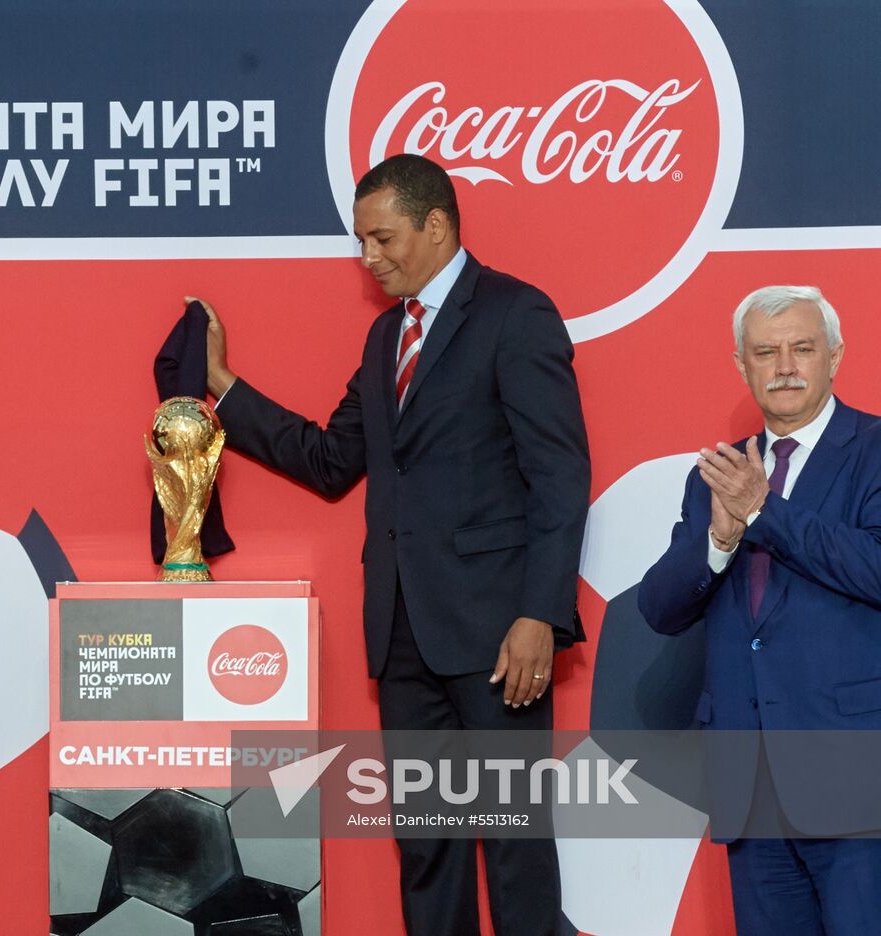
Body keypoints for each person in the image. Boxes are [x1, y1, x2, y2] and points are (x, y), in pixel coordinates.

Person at [198, 153, 590, 935]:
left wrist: (540, 614)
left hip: (499, 634)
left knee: (514, 846)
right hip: (403, 638)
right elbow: (331, 458)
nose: (369, 259)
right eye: (361, 243)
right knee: (428, 849)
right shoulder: (387, 338)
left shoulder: (518, 314)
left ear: (436, 226)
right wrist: (223, 386)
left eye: (382, 240)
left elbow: (560, 473)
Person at [639, 285, 881, 934]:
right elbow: (660, 608)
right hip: (751, 784)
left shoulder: (875, 450)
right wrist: (720, 538)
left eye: (802, 348)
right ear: (740, 366)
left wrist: (762, 512)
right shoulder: (715, 476)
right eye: (765, 352)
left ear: (835, 356)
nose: (784, 366)